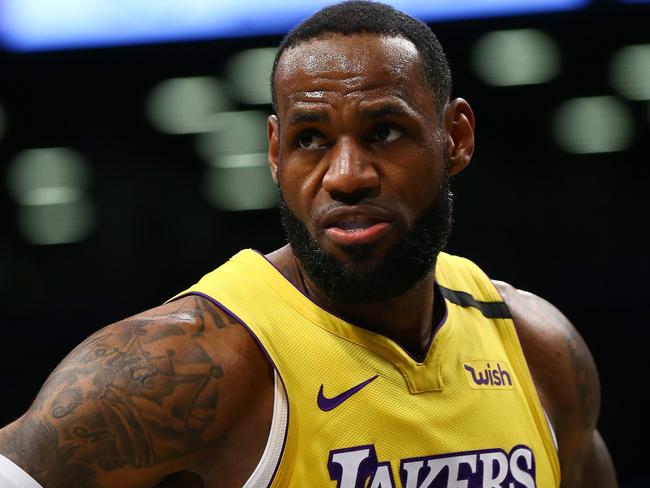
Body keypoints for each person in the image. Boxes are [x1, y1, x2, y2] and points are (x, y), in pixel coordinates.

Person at [0, 1, 617, 487]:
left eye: (384, 131)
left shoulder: (539, 350)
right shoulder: (178, 368)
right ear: (275, 153)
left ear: (455, 136)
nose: (347, 175)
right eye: (311, 139)